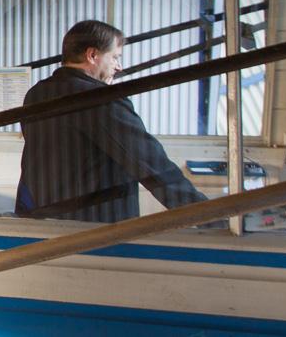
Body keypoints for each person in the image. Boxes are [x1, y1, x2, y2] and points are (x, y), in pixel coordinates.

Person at [18, 19, 206, 222]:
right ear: (92, 55)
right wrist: (208, 214)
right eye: (115, 57)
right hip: (96, 227)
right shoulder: (100, 100)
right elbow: (149, 163)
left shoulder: (36, 93)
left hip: (42, 221)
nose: (119, 66)